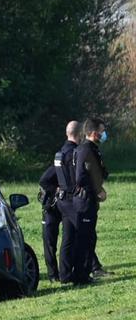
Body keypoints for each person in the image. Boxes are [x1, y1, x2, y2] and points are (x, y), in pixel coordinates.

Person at [37, 121, 78, 282]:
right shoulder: (68, 156)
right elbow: (44, 180)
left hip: (58, 203)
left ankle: (58, 273)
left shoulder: (62, 154)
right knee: (54, 240)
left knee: (57, 239)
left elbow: (46, 179)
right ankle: (56, 274)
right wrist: (58, 191)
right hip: (55, 204)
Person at [68, 119, 108, 284]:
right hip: (85, 200)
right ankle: (80, 276)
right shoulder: (85, 150)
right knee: (84, 239)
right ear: (93, 132)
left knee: (89, 237)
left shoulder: (92, 149)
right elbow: (81, 177)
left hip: (89, 200)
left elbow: (100, 171)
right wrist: (97, 190)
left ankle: (84, 273)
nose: (104, 134)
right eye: (102, 131)